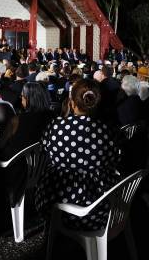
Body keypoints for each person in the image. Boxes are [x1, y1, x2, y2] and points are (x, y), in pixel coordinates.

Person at [35, 78, 120, 230]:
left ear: (72, 103)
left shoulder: (56, 126)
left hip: (55, 204)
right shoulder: (107, 130)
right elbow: (114, 159)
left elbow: (44, 151)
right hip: (99, 208)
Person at [0, 82, 53, 159]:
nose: (21, 99)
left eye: (22, 96)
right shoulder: (54, 117)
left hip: (17, 165)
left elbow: (1, 145)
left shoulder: (17, 120)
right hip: (43, 164)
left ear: (28, 99)